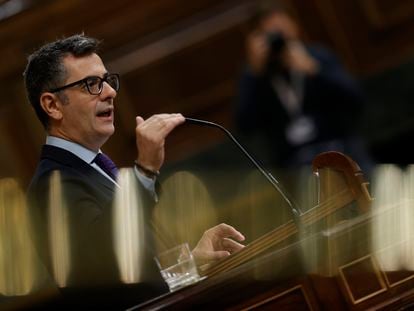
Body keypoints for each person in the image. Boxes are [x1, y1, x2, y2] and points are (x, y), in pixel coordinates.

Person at [23, 34, 245, 309]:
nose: (110, 92)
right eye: (91, 84)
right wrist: (145, 170)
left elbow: (132, 278)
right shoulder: (51, 185)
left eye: (106, 80)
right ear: (52, 105)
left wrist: (192, 264)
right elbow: (104, 263)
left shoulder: (95, 166)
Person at [235, 1, 373, 175]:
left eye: (281, 30)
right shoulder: (257, 76)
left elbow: (355, 99)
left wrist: (314, 70)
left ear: (294, 26)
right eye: (271, 34)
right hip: (295, 163)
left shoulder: (318, 56)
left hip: (340, 147)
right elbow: (245, 126)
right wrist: (255, 73)